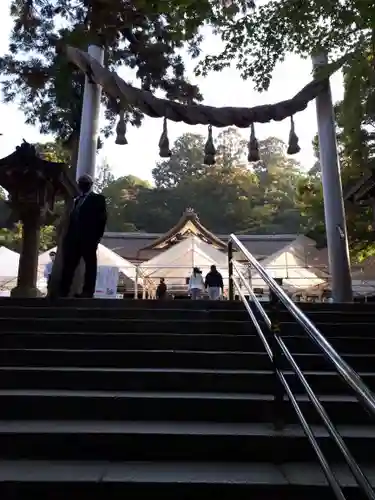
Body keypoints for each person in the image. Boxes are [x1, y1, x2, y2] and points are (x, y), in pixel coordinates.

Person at [59, 174, 107, 298]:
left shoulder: (98, 199)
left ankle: (88, 291)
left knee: (90, 266)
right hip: (73, 239)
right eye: (80, 182)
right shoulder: (76, 201)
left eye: (85, 182)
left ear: (90, 184)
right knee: (69, 265)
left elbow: (102, 220)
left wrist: (96, 238)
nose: (82, 185)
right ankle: (63, 291)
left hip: (89, 239)